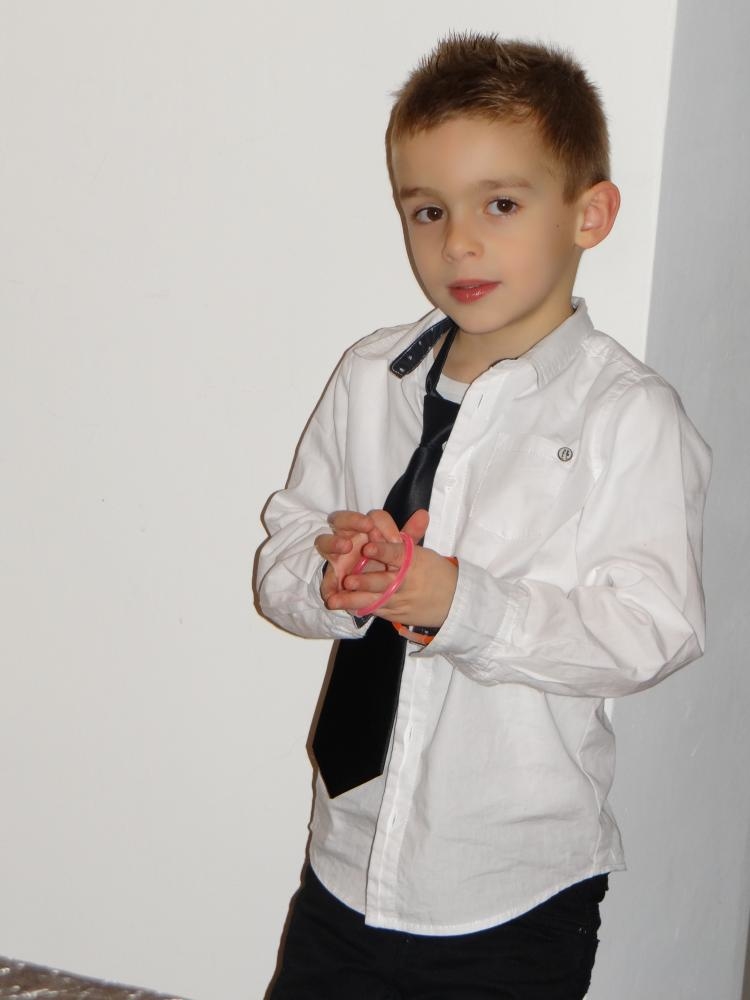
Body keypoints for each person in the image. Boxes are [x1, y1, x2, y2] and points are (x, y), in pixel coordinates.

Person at [255, 33, 711, 999]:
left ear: (590, 214)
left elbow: (651, 629)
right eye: (428, 211)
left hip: (511, 889)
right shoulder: (371, 377)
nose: (457, 242)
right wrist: (333, 577)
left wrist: (461, 603)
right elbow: (287, 544)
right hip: (346, 860)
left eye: (500, 204)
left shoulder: (625, 415)